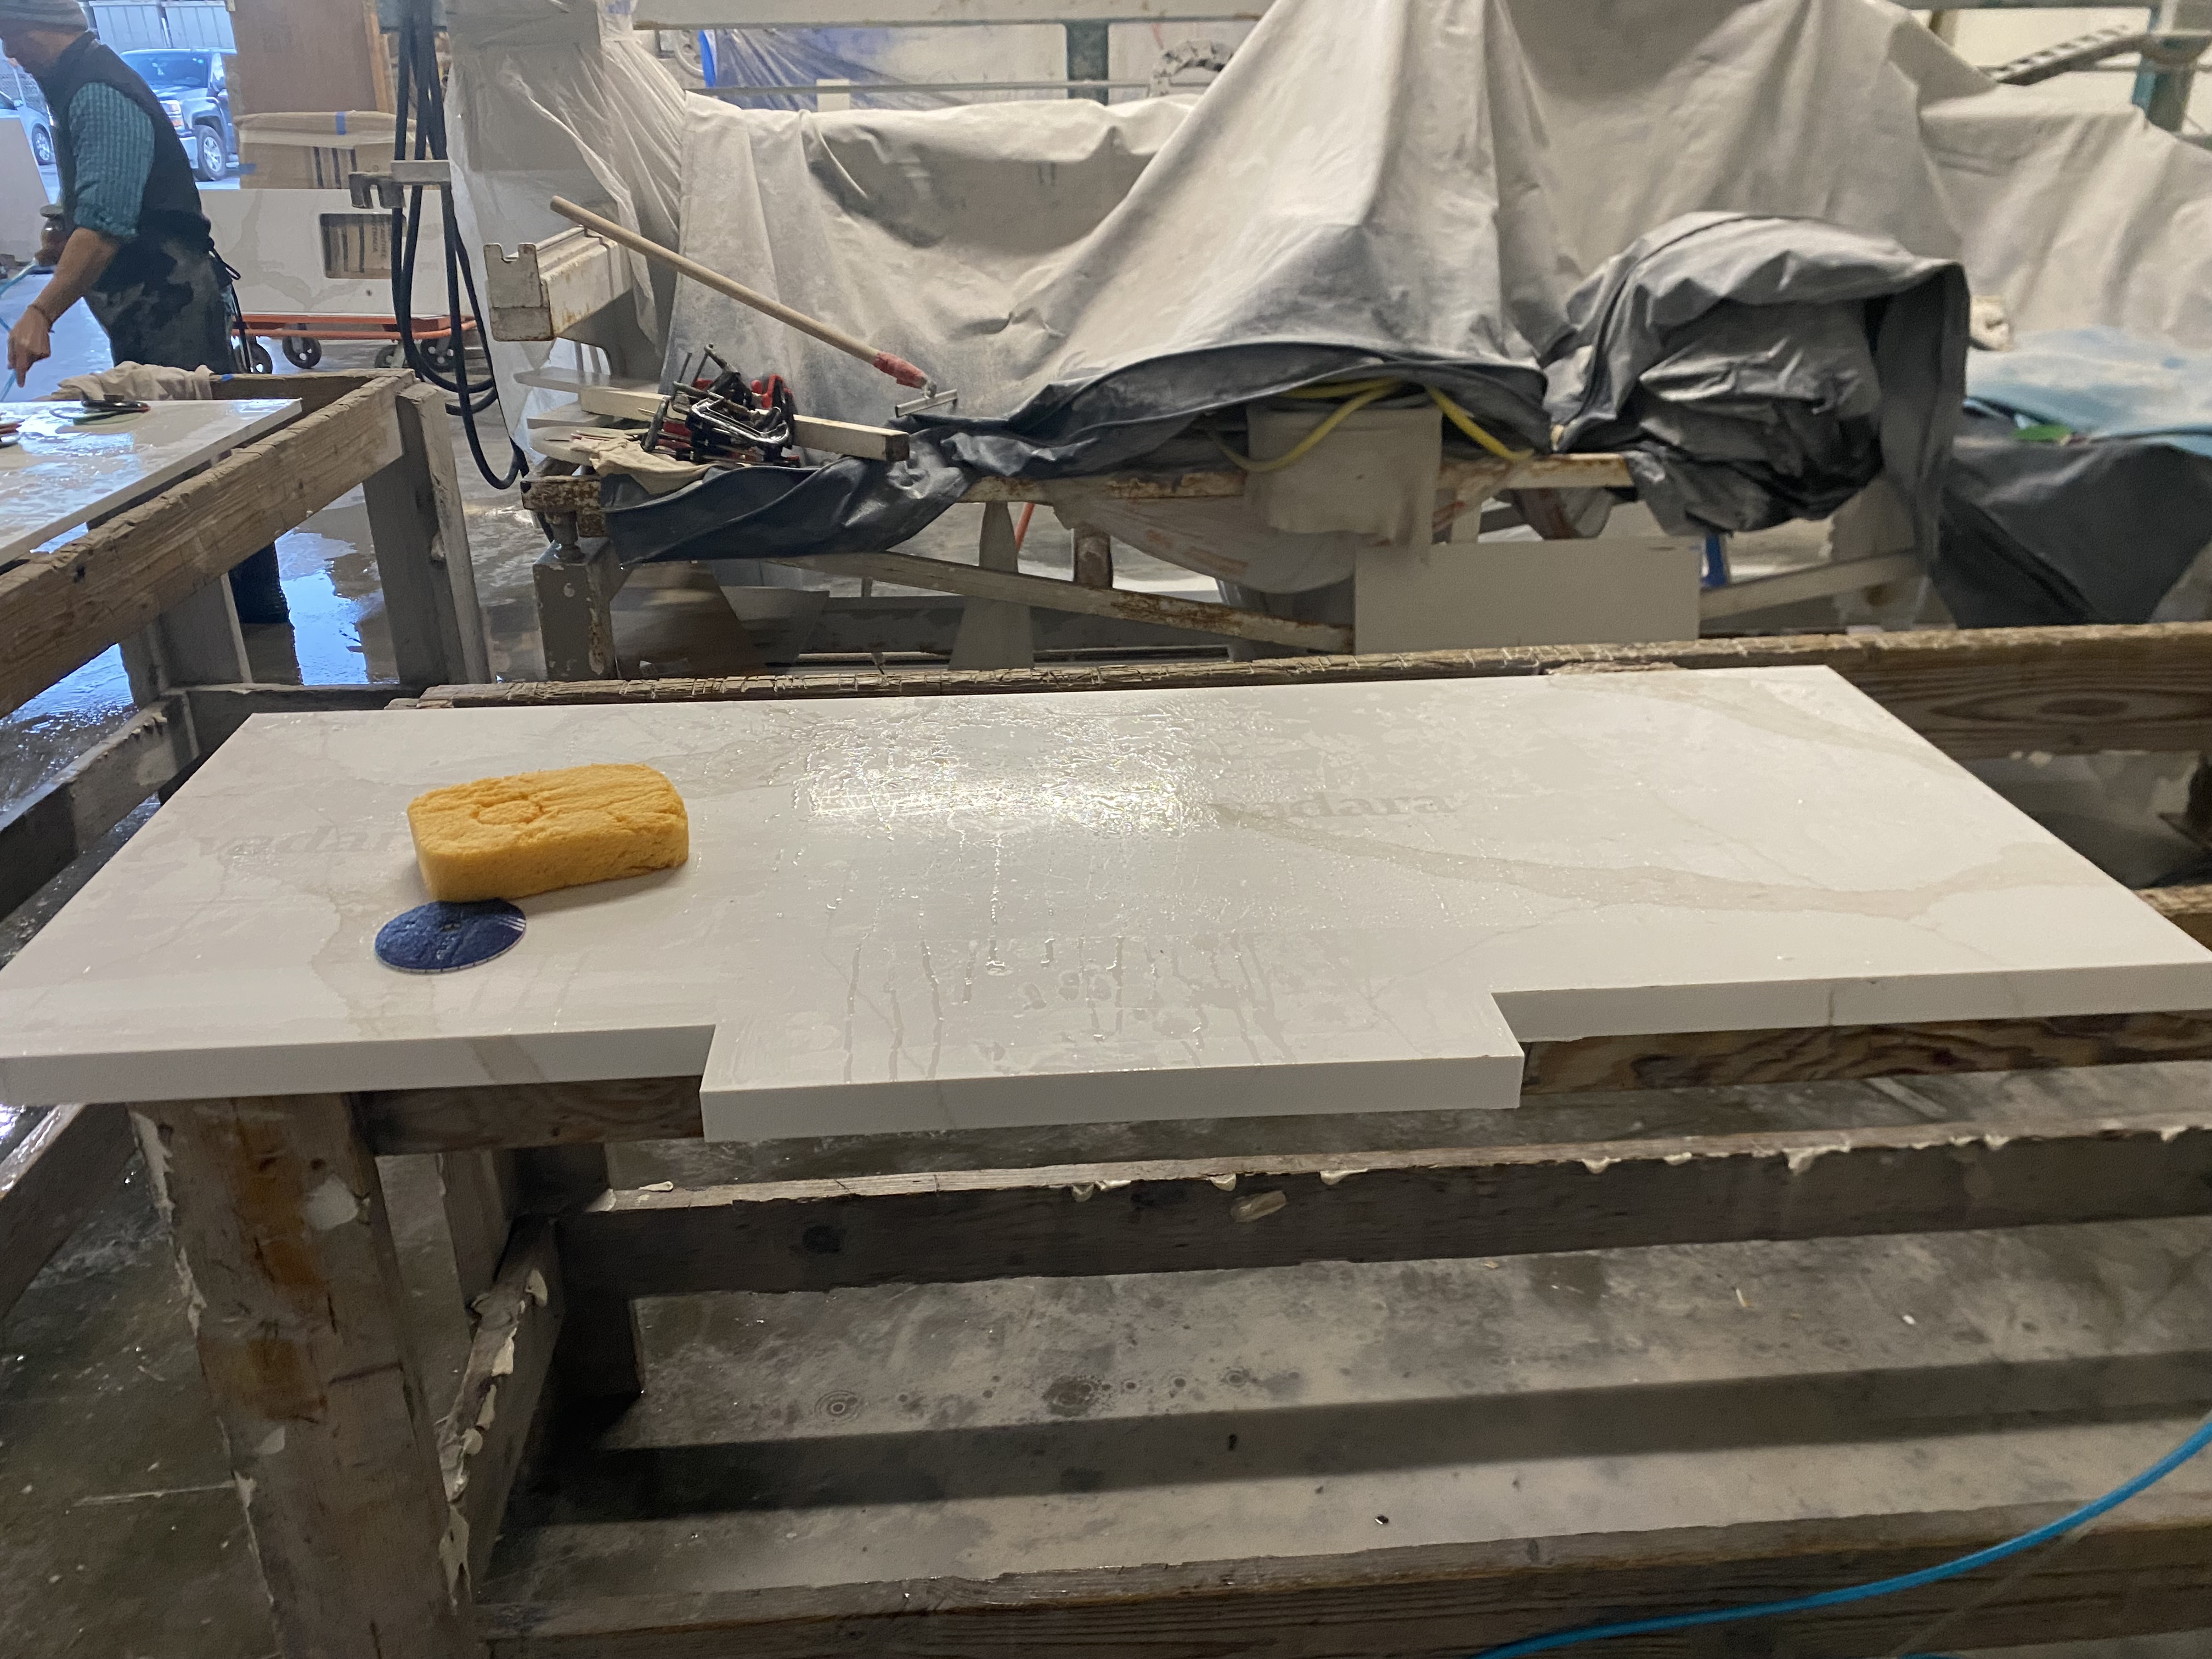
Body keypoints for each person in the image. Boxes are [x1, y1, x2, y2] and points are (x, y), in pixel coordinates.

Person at [0, 0, 285, 622]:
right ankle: (220, 606)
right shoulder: (77, 85)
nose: (11, 54)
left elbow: (106, 227)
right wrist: (65, 234)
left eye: (14, 37)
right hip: (146, 300)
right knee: (174, 440)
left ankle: (251, 608)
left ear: (44, 28)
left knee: (201, 450)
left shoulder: (98, 92)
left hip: (169, 295)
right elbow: (99, 206)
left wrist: (42, 312)